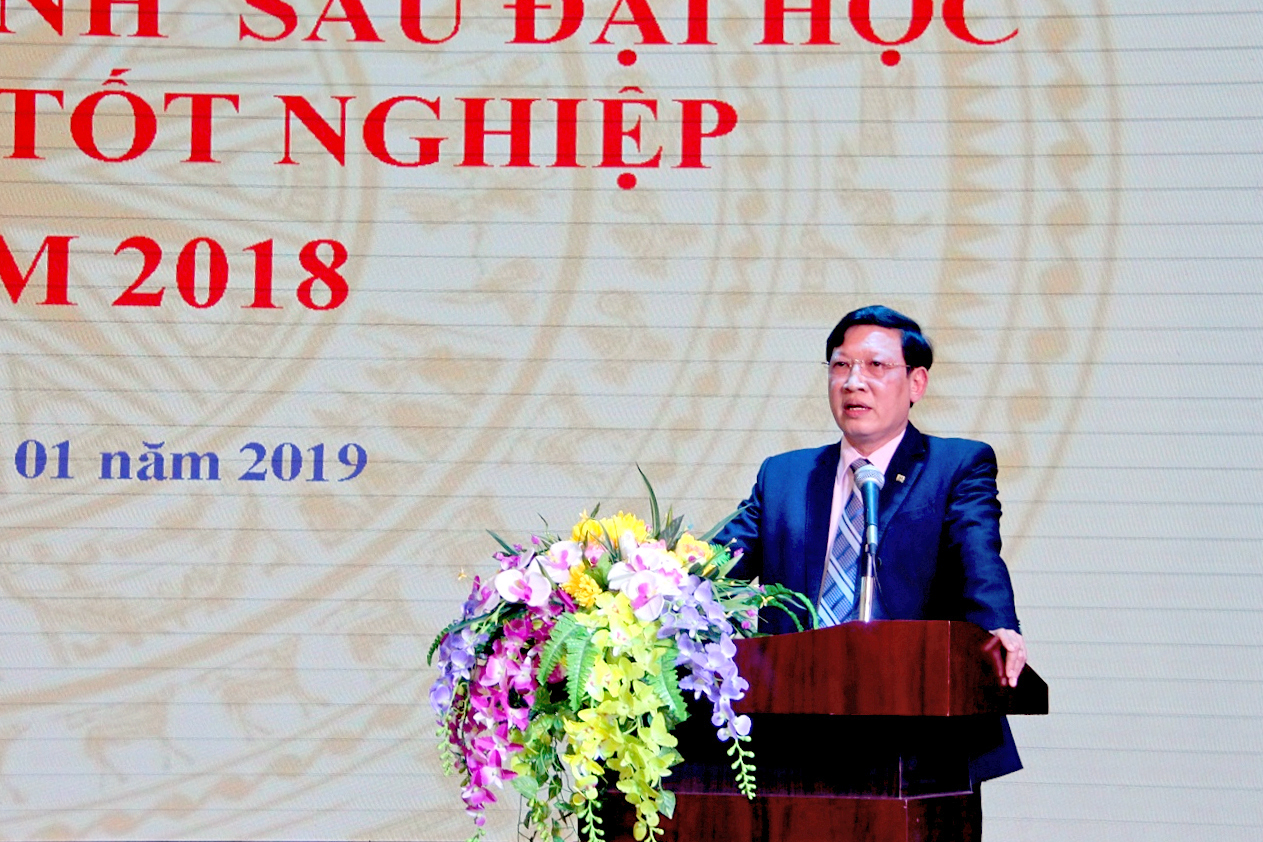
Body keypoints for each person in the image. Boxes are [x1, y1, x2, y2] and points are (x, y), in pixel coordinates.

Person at [716, 304, 1026, 782]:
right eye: (841, 365)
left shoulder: (956, 466)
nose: (853, 382)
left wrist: (996, 625)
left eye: (876, 366)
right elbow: (719, 563)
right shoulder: (785, 475)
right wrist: (646, 590)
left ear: (916, 383)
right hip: (791, 731)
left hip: (918, 736)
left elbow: (977, 554)